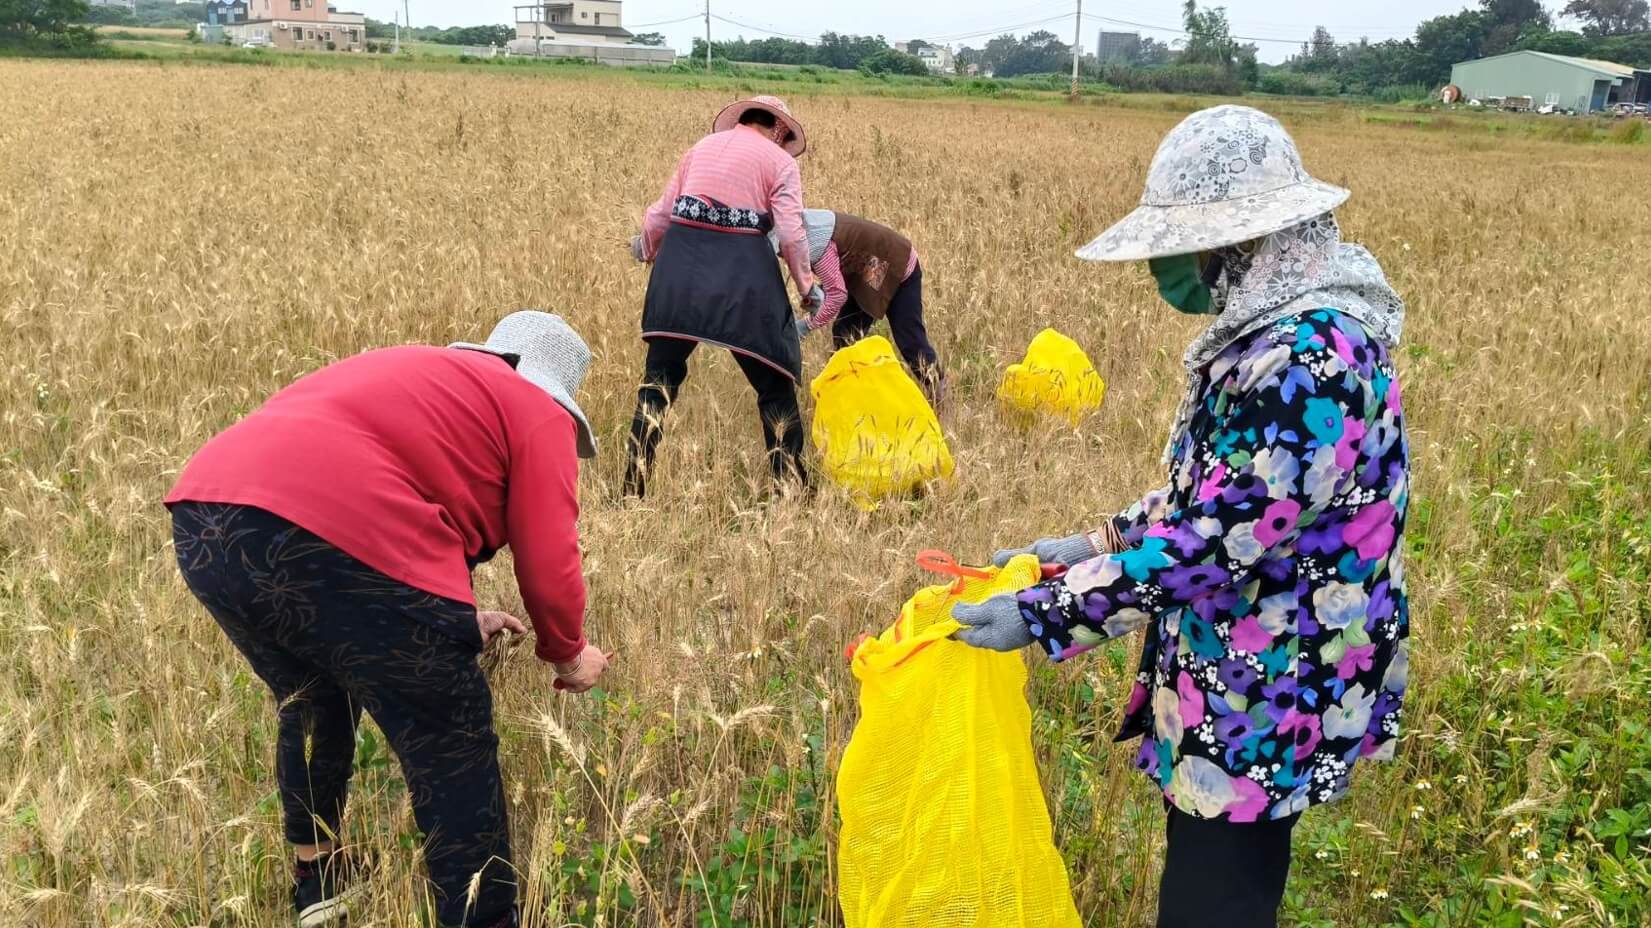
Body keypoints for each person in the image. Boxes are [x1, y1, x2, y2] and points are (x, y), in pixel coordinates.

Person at [953, 106, 1410, 928]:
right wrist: (1097, 542)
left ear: (1244, 245)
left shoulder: (1306, 359)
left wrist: (1040, 612)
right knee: (1221, 881)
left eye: (1181, 245)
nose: (1165, 269)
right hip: (1249, 664)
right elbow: (1217, 493)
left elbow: (1214, 543)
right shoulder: (1274, 334)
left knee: (1215, 899)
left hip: (1272, 681)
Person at [166, 312, 610, 928]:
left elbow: (385, 490)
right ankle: (484, 919)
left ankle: (319, 880)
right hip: (334, 534)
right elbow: (548, 554)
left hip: (206, 519)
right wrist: (569, 652)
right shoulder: (537, 409)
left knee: (312, 696)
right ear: (556, 389)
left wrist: (451, 613)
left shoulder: (426, 377)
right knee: (449, 738)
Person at [624, 95, 821, 499]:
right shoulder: (781, 163)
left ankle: (633, 485)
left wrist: (646, 248)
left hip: (679, 268)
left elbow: (660, 214)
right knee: (774, 380)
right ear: (779, 129)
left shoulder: (699, 148)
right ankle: (792, 490)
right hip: (741, 276)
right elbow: (790, 233)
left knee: (658, 380)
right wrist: (806, 287)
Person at [791, 209, 945, 403]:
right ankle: (850, 397)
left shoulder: (817, 245)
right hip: (867, 270)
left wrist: (806, 326)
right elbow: (841, 268)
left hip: (898, 265)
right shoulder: (802, 229)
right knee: (846, 333)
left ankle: (941, 396)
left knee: (910, 341)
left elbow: (837, 294)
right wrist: (816, 295)